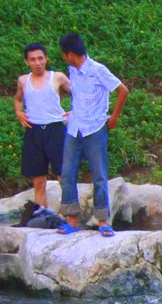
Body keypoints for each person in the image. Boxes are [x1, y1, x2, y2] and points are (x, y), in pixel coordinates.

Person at [57, 33, 127, 237]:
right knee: (68, 173)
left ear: (70, 54)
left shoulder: (98, 70)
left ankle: (103, 221)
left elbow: (123, 91)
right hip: (74, 128)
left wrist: (113, 118)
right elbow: (79, 95)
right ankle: (72, 219)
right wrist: (74, 111)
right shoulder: (72, 69)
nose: (63, 58)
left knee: (99, 174)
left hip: (95, 128)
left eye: (64, 54)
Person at [13, 43, 70, 212]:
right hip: (34, 130)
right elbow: (18, 99)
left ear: (46, 59)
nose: (37, 63)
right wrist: (18, 112)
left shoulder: (57, 77)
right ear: (27, 62)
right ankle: (41, 217)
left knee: (63, 176)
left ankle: (70, 218)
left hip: (56, 129)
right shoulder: (23, 80)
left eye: (40, 58)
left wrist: (75, 113)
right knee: (38, 180)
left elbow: (79, 94)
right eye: (33, 59)